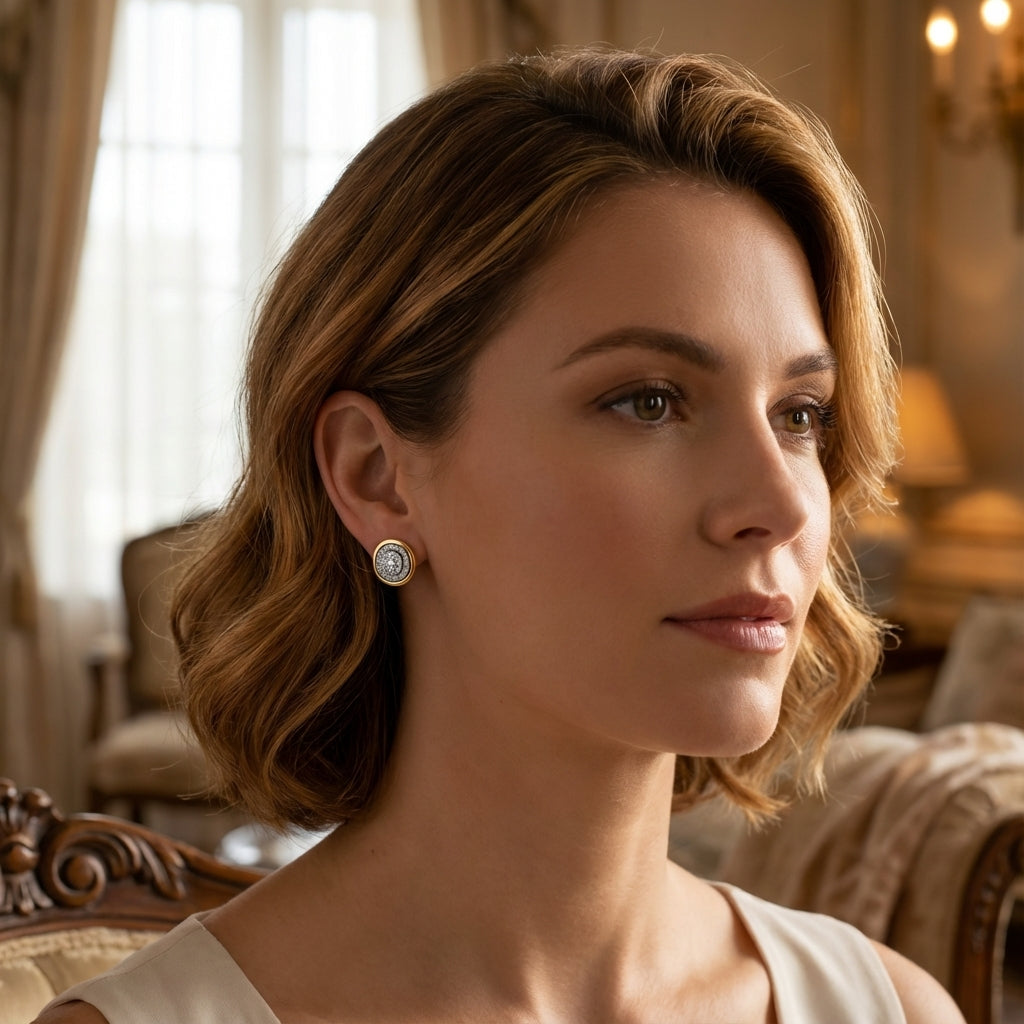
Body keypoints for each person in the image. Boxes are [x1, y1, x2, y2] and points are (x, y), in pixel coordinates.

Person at [39, 47, 965, 1024]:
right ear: (375, 476)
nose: (776, 503)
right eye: (648, 400)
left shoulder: (888, 1007)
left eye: (799, 413)